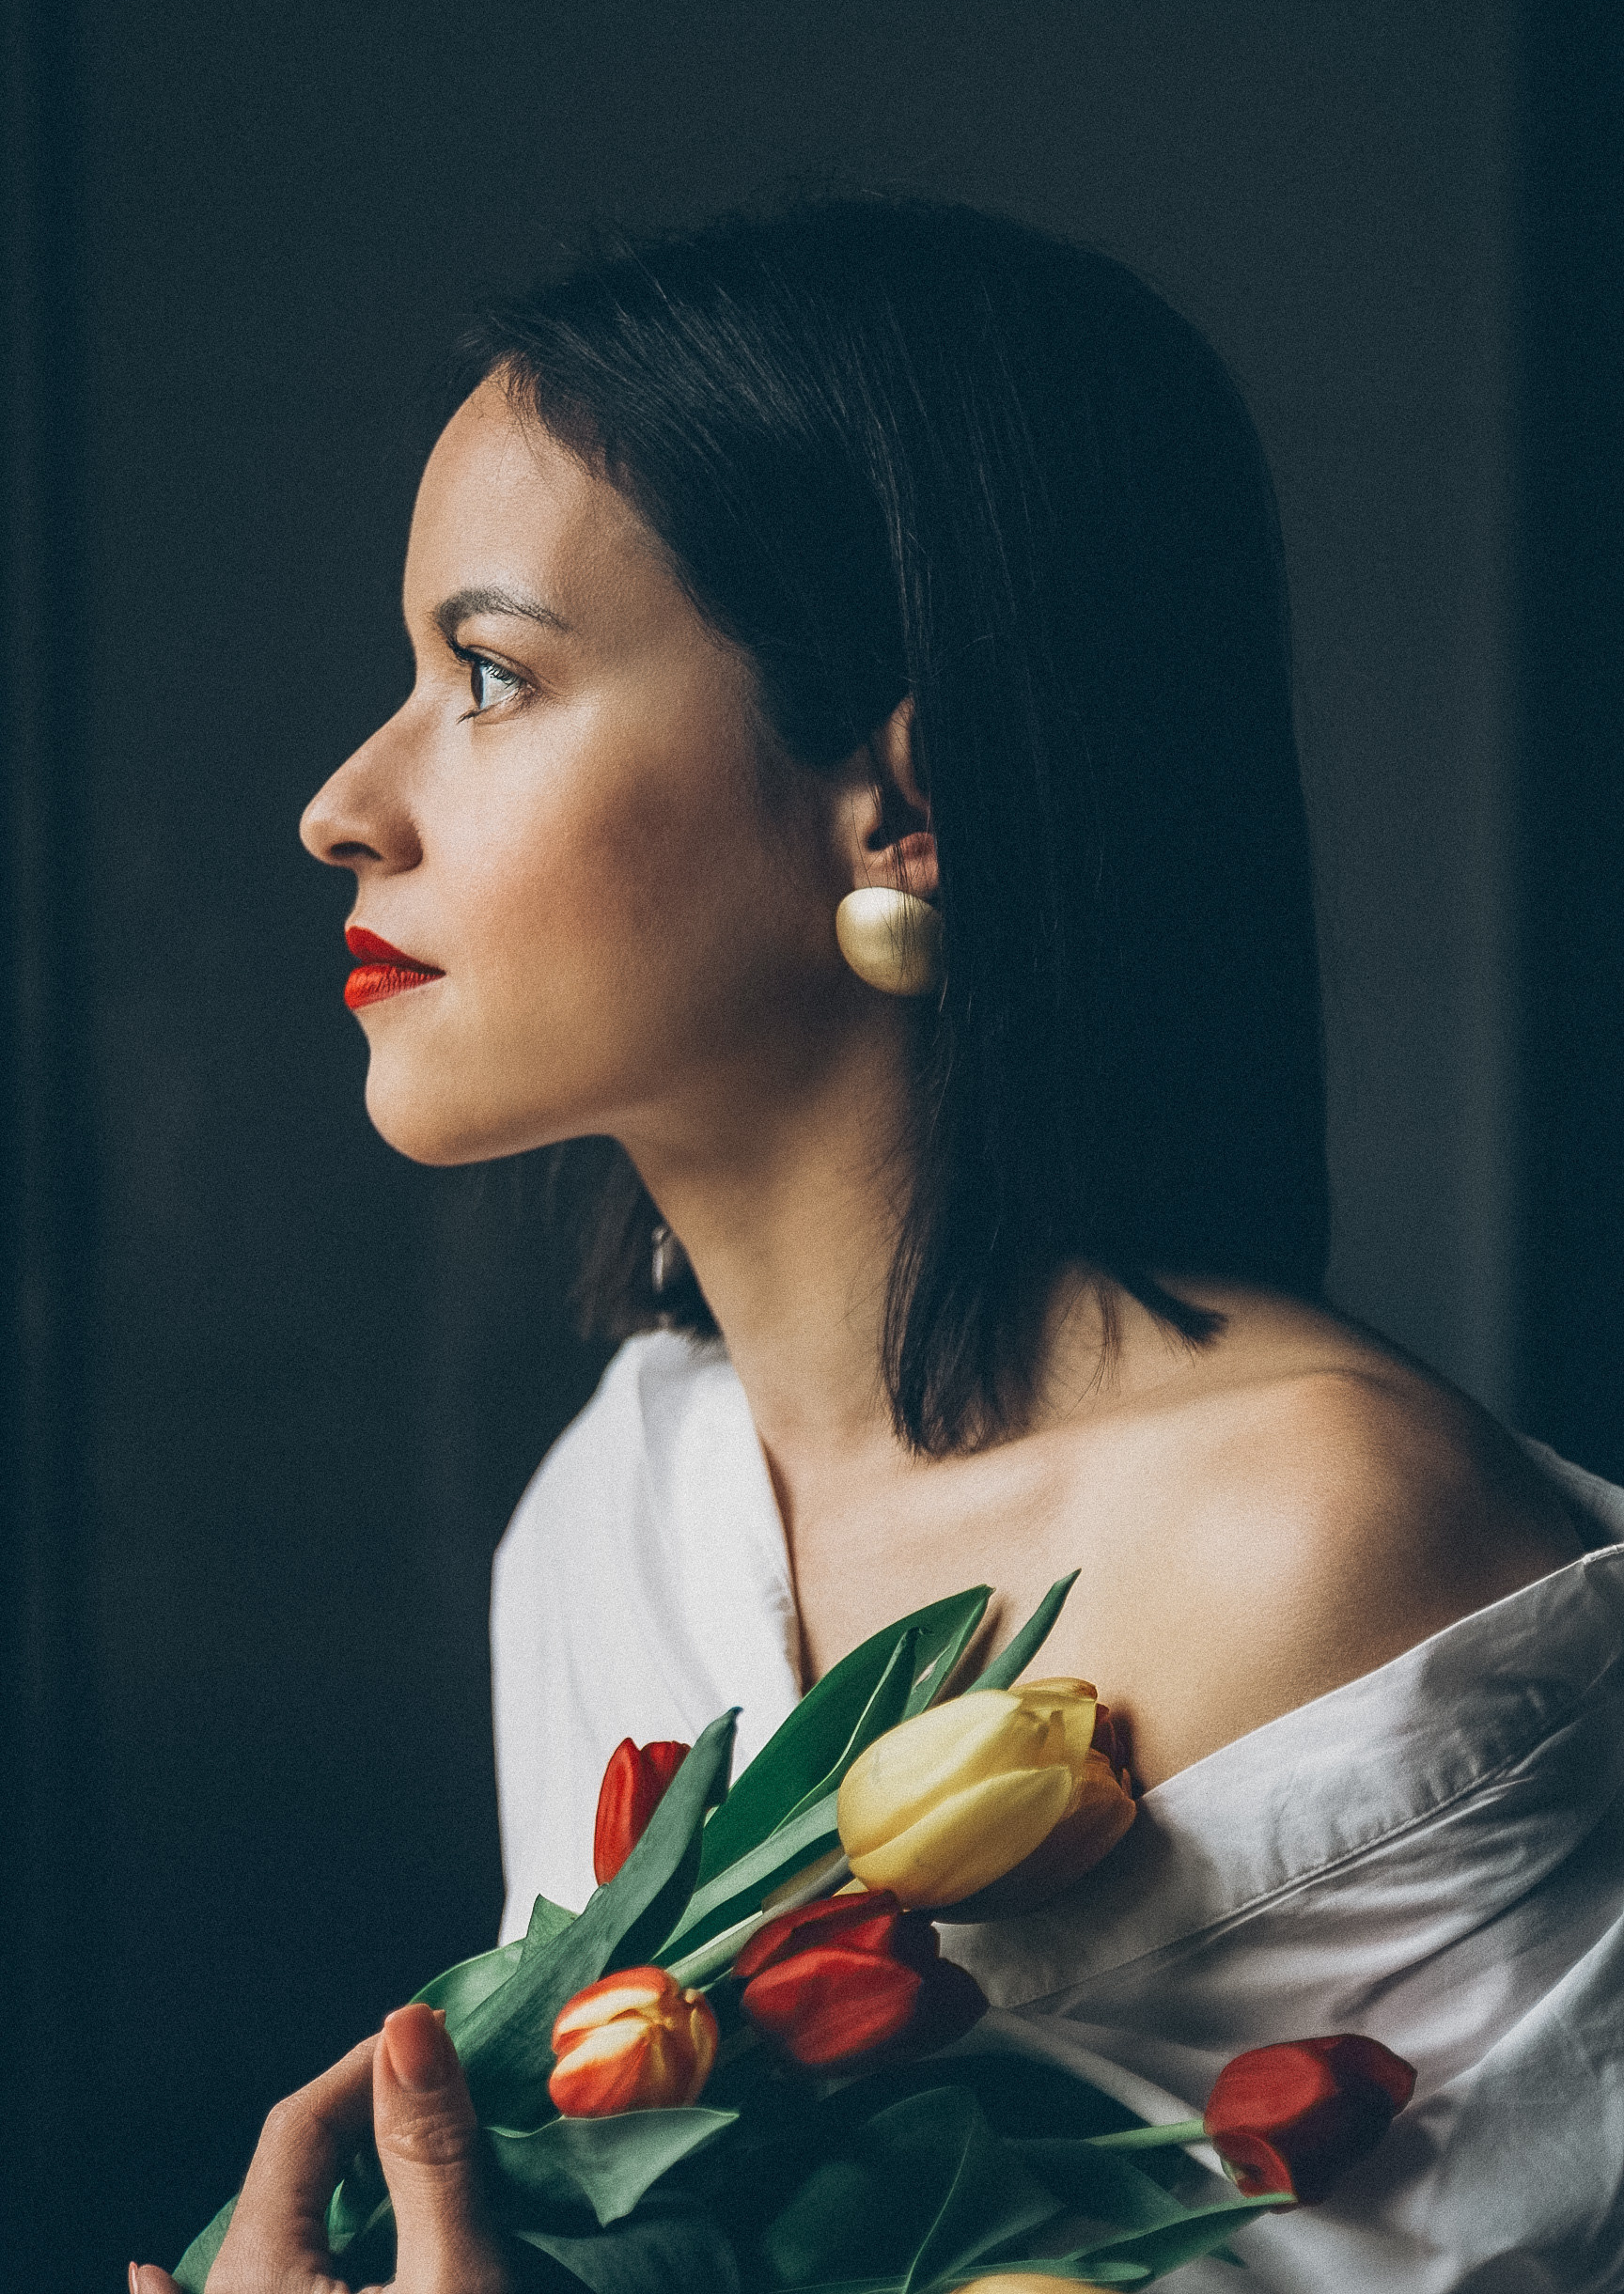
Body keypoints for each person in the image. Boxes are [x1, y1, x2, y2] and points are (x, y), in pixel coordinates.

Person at [133, 201, 1624, 2294]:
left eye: (489, 675)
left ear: (902, 806)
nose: (343, 805)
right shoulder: (617, 1509)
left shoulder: (1321, 1540)